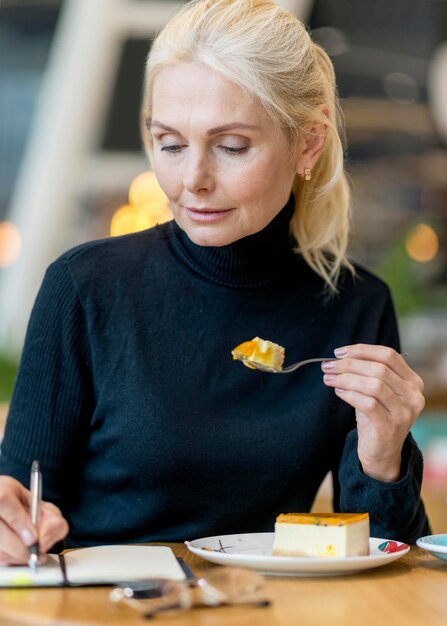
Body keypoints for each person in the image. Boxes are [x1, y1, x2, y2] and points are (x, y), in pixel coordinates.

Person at [0, 0, 429, 566]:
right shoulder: (85, 286)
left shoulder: (355, 305)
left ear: (308, 143)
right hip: (107, 603)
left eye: (231, 147)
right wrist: (10, 521)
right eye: (170, 144)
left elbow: (383, 556)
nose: (193, 181)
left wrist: (383, 456)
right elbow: (22, 504)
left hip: (264, 607)